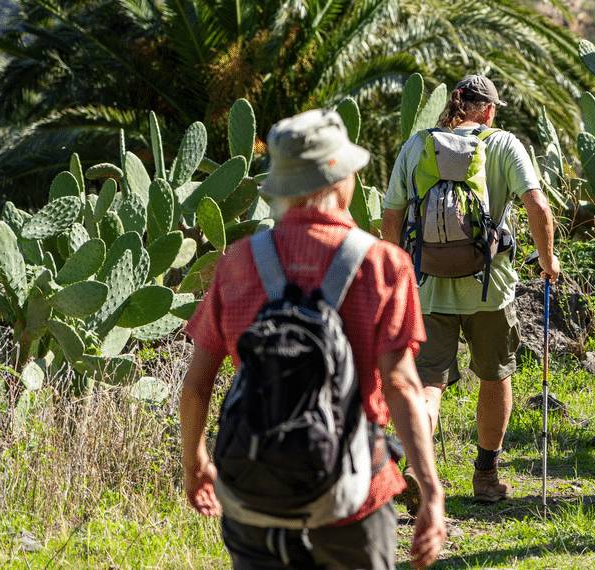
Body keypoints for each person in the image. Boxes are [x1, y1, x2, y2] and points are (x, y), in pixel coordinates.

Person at [180, 109, 446, 569]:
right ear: (341, 178)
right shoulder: (383, 264)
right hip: (354, 496)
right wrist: (431, 490)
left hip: (253, 497)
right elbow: (401, 385)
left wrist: (196, 462)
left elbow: (197, 385)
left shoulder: (239, 263)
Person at [382, 75, 560, 504]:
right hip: (491, 288)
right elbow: (537, 203)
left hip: (426, 288)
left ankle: (415, 470)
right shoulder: (502, 144)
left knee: (427, 385)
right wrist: (547, 258)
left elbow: (391, 216)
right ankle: (486, 478)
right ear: (489, 110)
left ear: (452, 105)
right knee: (495, 376)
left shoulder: (416, 146)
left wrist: (396, 275)